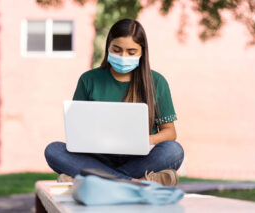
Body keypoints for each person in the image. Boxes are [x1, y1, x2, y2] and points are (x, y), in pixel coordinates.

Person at [44, 19, 184, 186]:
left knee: (173, 151)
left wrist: (147, 140)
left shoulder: (157, 82)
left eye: (131, 52)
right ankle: (135, 183)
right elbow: (77, 128)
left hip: (140, 158)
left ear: (142, 52)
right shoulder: (89, 80)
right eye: (117, 50)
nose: (123, 57)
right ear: (108, 47)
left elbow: (170, 133)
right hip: (97, 157)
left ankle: (94, 179)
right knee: (53, 150)